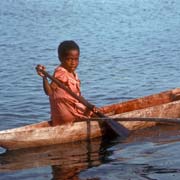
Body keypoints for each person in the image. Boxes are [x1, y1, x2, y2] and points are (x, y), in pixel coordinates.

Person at [36, 40, 91, 126]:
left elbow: (77, 96)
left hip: (68, 112)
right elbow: (49, 92)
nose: (73, 63)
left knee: (92, 109)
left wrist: (89, 105)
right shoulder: (61, 72)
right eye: (69, 59)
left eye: (76, 59)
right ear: (60, 59)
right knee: (92, 113)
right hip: (66, 116)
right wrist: (44, 77)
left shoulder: (73, 73)